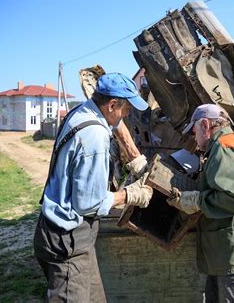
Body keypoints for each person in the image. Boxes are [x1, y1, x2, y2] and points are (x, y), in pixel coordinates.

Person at [33, 72, 153, 302]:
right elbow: (89, 203)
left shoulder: (82, 111)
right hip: (67, 242)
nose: (128, 114)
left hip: (69, 239)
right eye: (127, 108)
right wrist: (131, 194)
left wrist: (134, 157)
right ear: (112, 105)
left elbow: (116, 126)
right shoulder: (95, 137)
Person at [167, 104, 234, 303]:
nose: (194, 138)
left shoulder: (224, 148)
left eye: (194, 131)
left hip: (233, 252)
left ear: (205, 125)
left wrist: (197, 200)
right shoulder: (223, 145)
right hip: (225, 252)